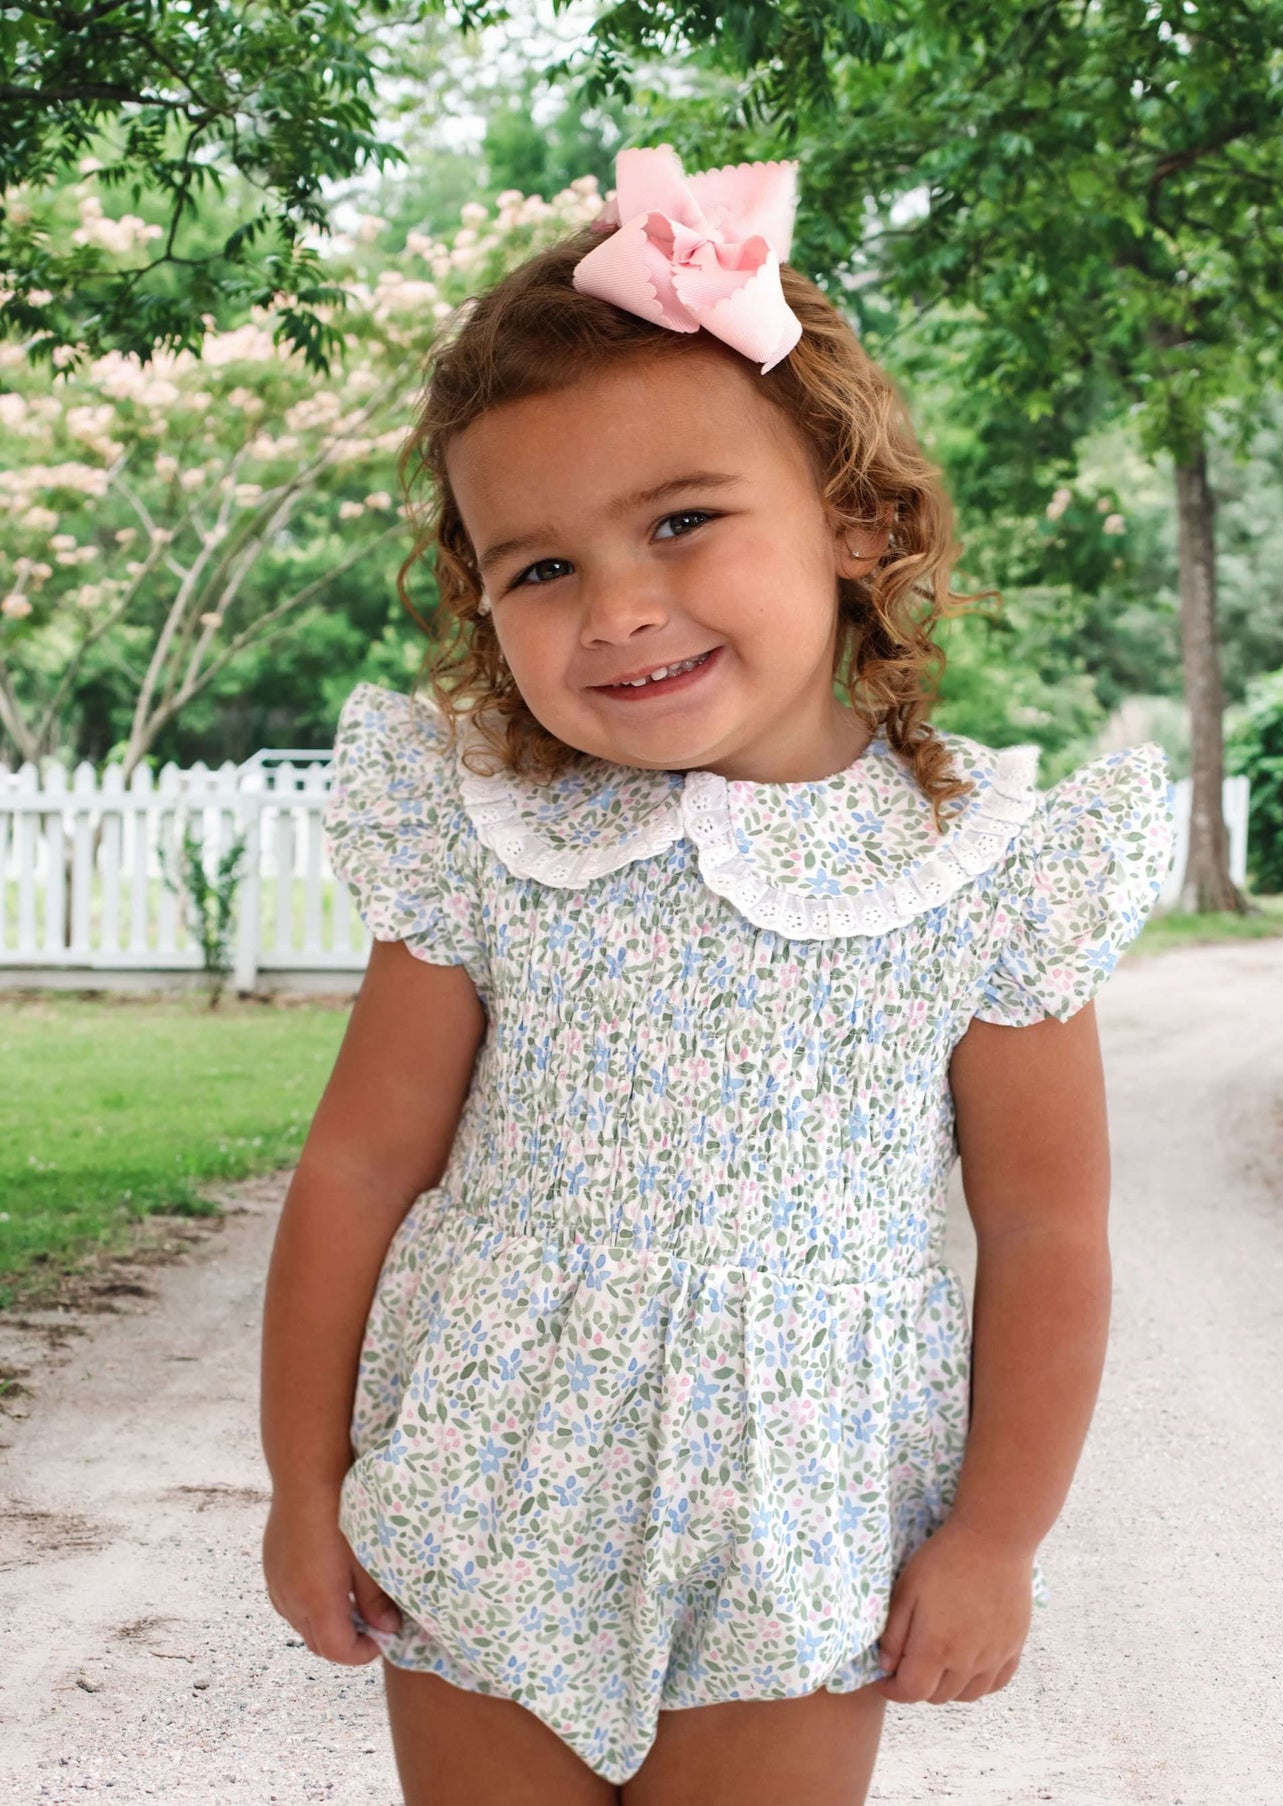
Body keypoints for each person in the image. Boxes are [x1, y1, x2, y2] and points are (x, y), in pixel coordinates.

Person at [260, 144, 1176, 1806]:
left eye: (681, 522)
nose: (618, 609)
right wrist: (299, 1483)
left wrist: (996, 1535)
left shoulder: (977, 867)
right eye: (540, 567)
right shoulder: (491, 835)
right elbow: (358, 1166)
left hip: (796, 1515)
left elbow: (1049, 1227)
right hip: (487, 1476)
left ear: (850, 520)